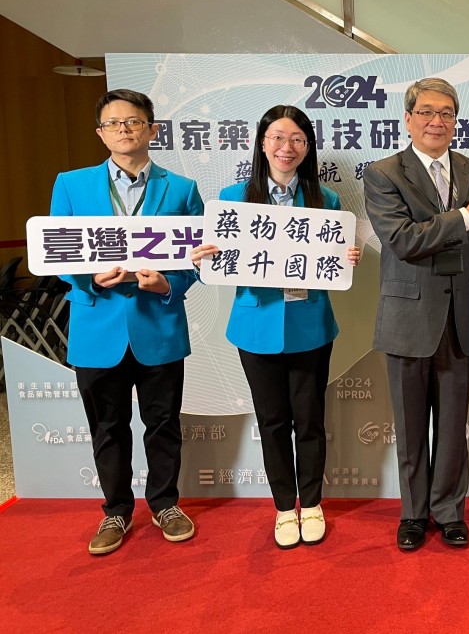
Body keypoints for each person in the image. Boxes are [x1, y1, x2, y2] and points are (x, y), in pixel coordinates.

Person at [191, 105, 359, 550]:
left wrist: (346, 258)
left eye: (298, 139)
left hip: (310, 324)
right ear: (263, 143)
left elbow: (332, 264)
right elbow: (221, 264)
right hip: (255, 325)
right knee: (272, 422)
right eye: (278, 138)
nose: (288, 147)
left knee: (310, 420)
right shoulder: (232, 198)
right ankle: (285, 507)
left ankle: (313, 504)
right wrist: (205, 258)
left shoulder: (326, 199)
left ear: (308, 147)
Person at [50, 89, 204, 555]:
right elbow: (58, 251)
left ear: (152, 129)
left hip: (158, 324)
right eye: (113, 123)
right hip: (97, 327)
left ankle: (165, 504)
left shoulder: (182, 189)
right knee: (108, 427)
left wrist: (168, 284)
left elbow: (198, 259)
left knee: (163, 424)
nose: (124, 129)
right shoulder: (71, 185)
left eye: (134, 121)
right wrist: (89, 279)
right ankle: (116, 511)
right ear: (100, 133)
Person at [363, 78, 469, 551]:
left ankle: (450, 511)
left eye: (446, 113)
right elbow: (403, 240)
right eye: (426, 112)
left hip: (460, 314)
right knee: (410, 425)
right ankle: (414, 514)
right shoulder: (383, 173)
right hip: (407, 317)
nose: (436, 121)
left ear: (456, 120)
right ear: (408, 119)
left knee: (454, 425)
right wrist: (465, 215)